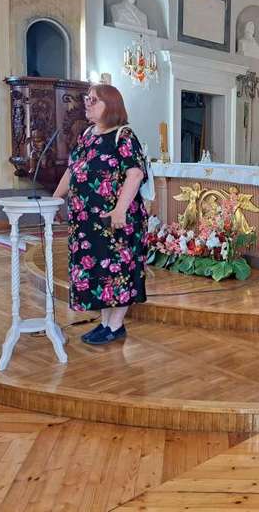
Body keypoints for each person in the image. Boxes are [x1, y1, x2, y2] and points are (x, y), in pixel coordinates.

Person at [53, 84, 148, 345]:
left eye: (94, 100)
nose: (87, 103)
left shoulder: (124, 136)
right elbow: (72, 170)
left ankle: (116, 325)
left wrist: (119, 210)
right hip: (87, 222)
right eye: (87, 98)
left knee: (118, 271)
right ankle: (106, 324)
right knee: (100, 272)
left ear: (111, 105)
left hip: (115, 220)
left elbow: (135, 174)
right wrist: (55, 200)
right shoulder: (87, 134)